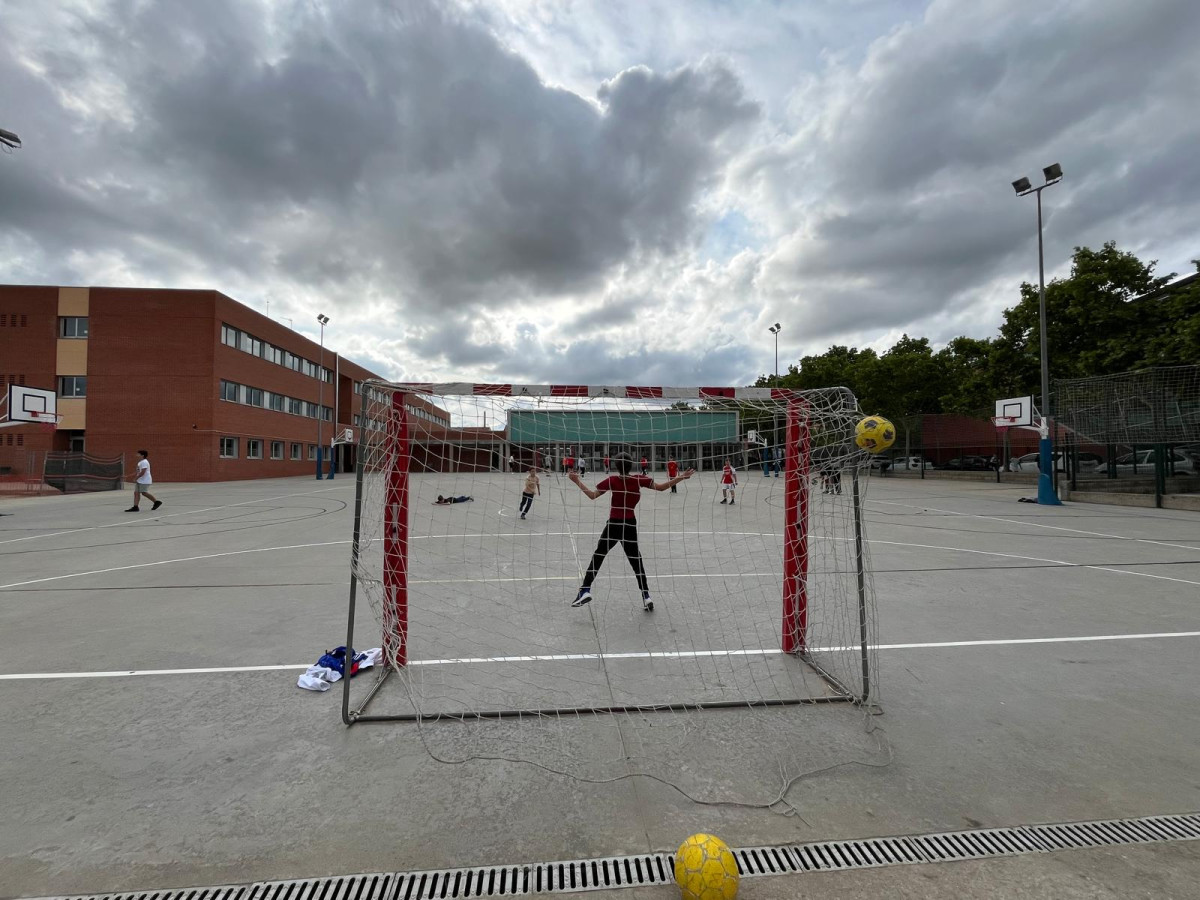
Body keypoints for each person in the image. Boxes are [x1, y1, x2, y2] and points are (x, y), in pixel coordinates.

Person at [568, 453, 694, 611]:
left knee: (598, 556)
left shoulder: (612, 480)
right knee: (636, 561)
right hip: (629, 525)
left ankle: (585, 590)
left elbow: (592, 496)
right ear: (631, 465)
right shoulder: (638, 479)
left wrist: (576, 481)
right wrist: (682, 477)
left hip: (614, 524)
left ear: (616, 466)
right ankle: (646, 596)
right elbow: (662, 488)